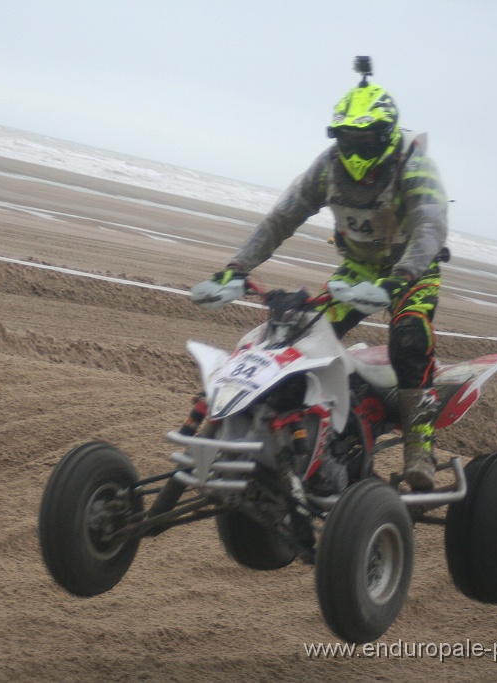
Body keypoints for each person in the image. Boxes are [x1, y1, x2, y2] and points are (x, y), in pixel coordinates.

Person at [191, 58, 449, 490]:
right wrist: (235, 270)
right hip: (356, 272)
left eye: (367, 140)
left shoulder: (414, 166)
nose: (357, 148)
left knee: (410, 340)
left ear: (385, 137)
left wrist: (400, 278)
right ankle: (308, 426)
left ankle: (418, 449)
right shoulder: (328, 167)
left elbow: (430, 227)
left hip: (411, 276)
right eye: (349, 138)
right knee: (295, 334)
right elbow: (280, 220)